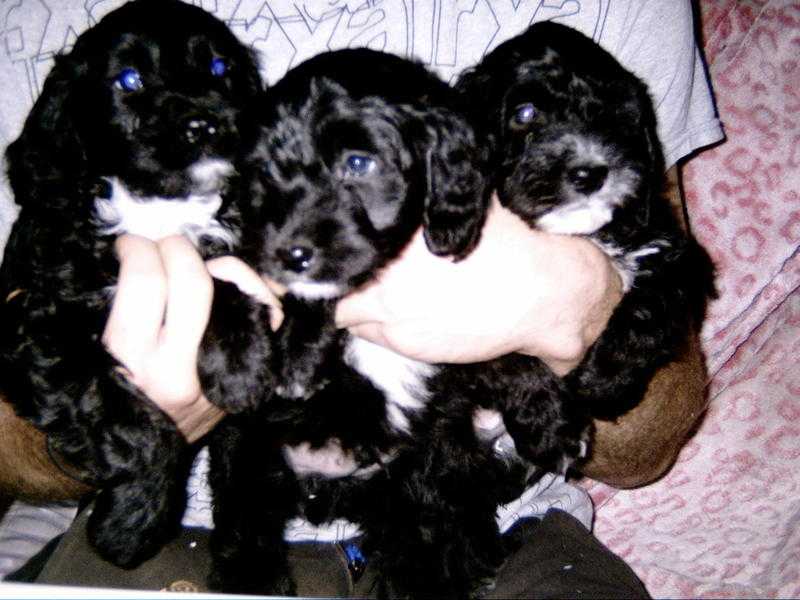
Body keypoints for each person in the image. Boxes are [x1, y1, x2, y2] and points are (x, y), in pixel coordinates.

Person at [0, 0, 723, 595]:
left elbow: (645, 447)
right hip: (181, 524)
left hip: (492, 519)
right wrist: (139, 432)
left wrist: (586, 311)